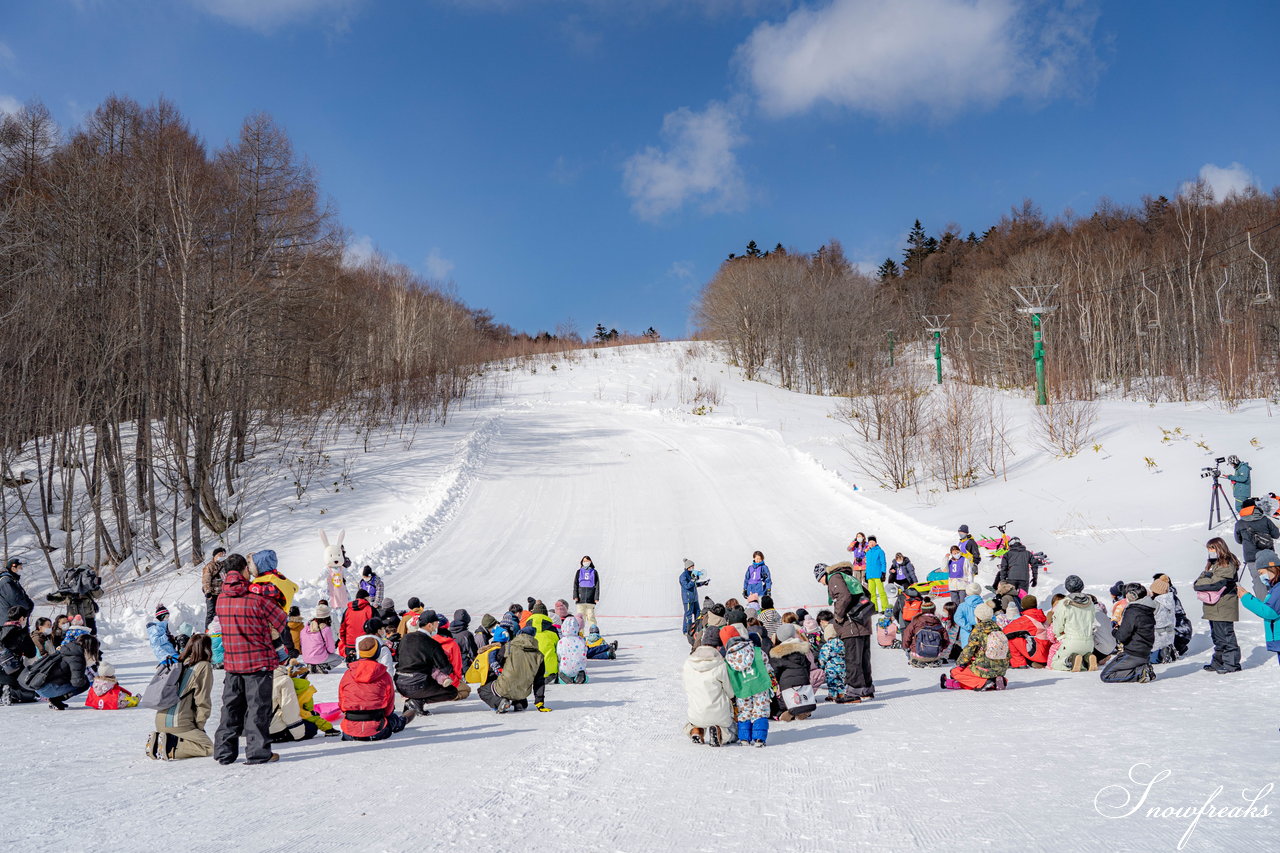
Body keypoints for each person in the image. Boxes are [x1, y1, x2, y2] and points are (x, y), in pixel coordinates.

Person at [213, 558, 289, 765]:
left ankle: (224, 752)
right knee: (258, 708)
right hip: (258, 662)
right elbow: (282, 619)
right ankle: (257, 752)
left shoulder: (220, 599)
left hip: (232, 664)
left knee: (230, 707)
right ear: (245, 570)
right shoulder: (257, 599)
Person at [148, 634, 215, 760]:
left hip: (160, 719)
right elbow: (202, 700)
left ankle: (161, 741)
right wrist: (199, 726)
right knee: (208, 747)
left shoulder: (179, 663)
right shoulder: (203, 666)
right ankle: (167, 747)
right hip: (178, 722)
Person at [339, 636, 415, 740]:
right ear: (378, 652)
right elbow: (389, 707)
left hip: (349, 731)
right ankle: (400, 721)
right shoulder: (384, 675)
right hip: (377, 729)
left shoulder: (348, 674)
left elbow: (342, 702)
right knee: (392, 718)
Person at [819, 561, 874, 703]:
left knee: (852, 659)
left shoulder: (834, 578)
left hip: (851, 625)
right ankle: (866, 689)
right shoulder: (848, 576)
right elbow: (867, 593)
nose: (822, 583)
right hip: (863, 623)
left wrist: (838, 616)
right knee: (863, 658)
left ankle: (853, 692)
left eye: (820, 579)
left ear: (824, 574)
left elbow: (844, 596)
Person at [1194, 537, 1242, 674]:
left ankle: (1231, 664)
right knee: (1217, 636)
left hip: (1224, 604)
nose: (1210, 551)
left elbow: (1212, 584)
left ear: (1219, 548)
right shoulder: (1215, 564)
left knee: (1226, 635)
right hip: (1214, 605)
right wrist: (1206, 575)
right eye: (1208, 549)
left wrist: (1205, 577)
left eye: (1212, 548)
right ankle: (1218, 662)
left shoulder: (1226, 564)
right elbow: (1200, 583)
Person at [682, 628, 737, 746]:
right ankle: (720, 733)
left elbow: (686, 686)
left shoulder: (688, 663)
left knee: (696, 719)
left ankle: (696, 730)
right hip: (718, 714)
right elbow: (730, 691)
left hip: (695, 713)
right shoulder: (720, 664)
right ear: (718, 646)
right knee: (733, 732)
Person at [395, 610, 458, 712]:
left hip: (400, 683)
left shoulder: (406, 638)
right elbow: (446, 668)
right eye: (436, 624)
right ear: (430, 625)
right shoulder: (432, 643)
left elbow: (398, 658)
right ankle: (418, 701)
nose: (437, 627)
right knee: (452, 692)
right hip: (417, 684)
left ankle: (415, 699)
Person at [478, 625, 550, 714]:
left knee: (483, 690)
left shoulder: (508, 647)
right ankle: (520, 703)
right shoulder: (539, 655)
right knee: (517, 684)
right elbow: (539, 680)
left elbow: (496, 664)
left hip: (505, 686)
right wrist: (539, 702)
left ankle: (500, 702)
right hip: (523, 691)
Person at [941, 602, 1009, 690]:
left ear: (978, 617)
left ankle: (984, 682)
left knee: (955, 672)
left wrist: (960, 664)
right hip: (1001, 668)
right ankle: (997, 680)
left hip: (983, 669)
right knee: (975, 670)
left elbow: (968, 651)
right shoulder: (998, 630)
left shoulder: (978, 630)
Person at [1099, 583, 1158, 683]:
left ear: (1132, 596)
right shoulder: (1147, 609)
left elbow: (1122, 636)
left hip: (1133, 653)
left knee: (1106, 675)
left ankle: (1140, 673)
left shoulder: (1133, 610)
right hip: (1144, 652)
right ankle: (1142, 669)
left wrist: (1114, 631)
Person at [29, 627, 99, 708]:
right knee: (85, 683)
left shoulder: (67, 649)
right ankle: (56, 699)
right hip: (47, 688)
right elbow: (77, 682)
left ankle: (55, 699)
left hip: (38, 685)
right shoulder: (77, 657)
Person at [724, 634, 772, 747]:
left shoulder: (728, 660)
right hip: (759, 684)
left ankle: (744, 738)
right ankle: (759, 738)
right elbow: (766, 662)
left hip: (742, 688)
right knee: (760, 710)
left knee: (744, 712)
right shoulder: (755, 651)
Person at [1237, 550, 1280, 666]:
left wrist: (1246, 598)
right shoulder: (1274, 588)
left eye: (1261, 573)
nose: (1261, 577)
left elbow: (1269, 612)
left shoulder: (1278, 589)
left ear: (1272, 568)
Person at [1050, 576, 1101, 671]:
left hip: (1071, 641)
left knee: (1055, 663)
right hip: (1089, 643)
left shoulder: (1064, 603)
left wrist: (1059, 635)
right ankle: (1087, 658)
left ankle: (1070, 660)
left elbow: (1058, 625)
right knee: (1081, 658)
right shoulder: (1090, 602)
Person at [769, 623, 816, 721]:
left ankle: (783, 713)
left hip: (787, 687)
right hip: (803, 684)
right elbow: (807, 666)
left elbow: (774, 672)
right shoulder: (801, 651)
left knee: (776, 703)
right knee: (802, 698)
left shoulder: (778, 654)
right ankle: (802, 710)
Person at [1235, 498, 1279, 598]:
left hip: (1252, 558)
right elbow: (1276, 535)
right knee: (1275, 579)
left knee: (1258, 582)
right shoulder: (1265, 519)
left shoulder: (1240, 524)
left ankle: (1264, 608)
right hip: (1269, 555)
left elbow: (1238, 540)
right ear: (1255, 507)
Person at [267, 660, 318, 743]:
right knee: (311, 728)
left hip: (255, 729)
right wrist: (299, 735)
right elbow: (289, 710)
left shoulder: (253, 677)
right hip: (273, 730)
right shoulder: (284, 680)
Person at [1, 606, 40, 704]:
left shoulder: (1, 630)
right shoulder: (21, 633)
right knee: (32, 693)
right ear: (22, 618)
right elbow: (31, 653)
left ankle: (3, 692)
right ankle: (11, 691)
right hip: (12, 672)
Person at [1002, 594, 1049, 668]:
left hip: (1037, 653)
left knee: (1013, 638)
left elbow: (1006, 631)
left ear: (1022, 606)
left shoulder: (1025, 619)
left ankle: (1019, 663)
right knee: (1026, 636)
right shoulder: (1043, 616)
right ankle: (1032, 661)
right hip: (1048, 652)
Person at [902, 599, 948, 667]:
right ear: (934, 610)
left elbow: (907, 635)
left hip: (917, 654)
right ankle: (933, 661)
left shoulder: (916, 621)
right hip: (935, 655)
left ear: (922, 610)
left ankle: (917, 660)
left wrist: (906, 647)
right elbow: (946, 640)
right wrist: (941, 648)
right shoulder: (937, 622)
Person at [301, 604, 338, 674]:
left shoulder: (306, 627)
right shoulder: (326, 629)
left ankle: (312, 665)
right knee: (338, 659)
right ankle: (321, 666)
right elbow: (331, 649)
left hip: (306, 657)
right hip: (319, 657)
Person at [340, 589, 375, 661]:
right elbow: (376, 626)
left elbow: (342, 628)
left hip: (350, 644)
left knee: (352, 668)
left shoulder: (347, 610)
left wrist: (345, 642)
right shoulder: (370, 609)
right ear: (366, 598)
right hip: (365, 644)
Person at [817, 621, 846, 702]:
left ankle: (832, 695)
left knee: (832, 682)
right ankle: (841, 694)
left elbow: (823, 657)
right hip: (842, 666)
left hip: (831, 668)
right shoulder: (842, 644)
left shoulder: (827, 645)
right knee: (840, 681)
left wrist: (822, 666)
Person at [679, 559, 710, 635]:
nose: (693, 568)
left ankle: (697, 628)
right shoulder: (683, 576)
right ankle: (687, 630)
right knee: (688, 615)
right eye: (691, 566)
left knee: (698, 613)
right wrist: (693, 580)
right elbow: (686, 586)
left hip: (694, 598)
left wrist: (703, 583)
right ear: (688, 567)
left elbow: (695, 584)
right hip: (688, 599)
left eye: (693, 566)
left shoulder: (692, 574)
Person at [556, 615, 589, 684]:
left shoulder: (561, 641)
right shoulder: (581, 640)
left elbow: (559, 654)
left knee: (561, 674)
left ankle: (564, 677)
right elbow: (585, 652)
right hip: (579, 667)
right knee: (586, 677)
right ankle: (580, 676)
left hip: (565, 668)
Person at [201, 547, 227, 629]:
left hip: (222, 593)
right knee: (210, 613)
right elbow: (206, 579)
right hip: (212, 593)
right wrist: (207, 592)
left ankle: (218, 630)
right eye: (220, 554)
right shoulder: (210, 566)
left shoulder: (224, 565)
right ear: (215, 555)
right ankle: (208, 630)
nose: (222, 556)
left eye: (223, 554)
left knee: (220, 612)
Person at [573, 556, 601, 627]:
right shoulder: (579, 572)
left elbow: (597, 585)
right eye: (584, 561)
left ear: (590, 562)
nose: (586, 562)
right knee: (580, 617)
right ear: (582, 562)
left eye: (587, 561)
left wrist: (596, 597)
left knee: (591, 616)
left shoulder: (594, 572)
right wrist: (575, 595)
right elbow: (575, 584)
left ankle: (593, 631)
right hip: (580, 599)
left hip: (590, 599)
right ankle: (580, 633)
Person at [954, 583, 985, 647]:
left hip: (967, 634)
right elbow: (992, 618)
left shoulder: (962, 606)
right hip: (982, 634)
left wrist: (969, 627)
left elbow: (957, 618)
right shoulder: (985, 605)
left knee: (967, 653)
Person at [864, 535, 888, 613]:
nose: (871, 543)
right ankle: (874, 608)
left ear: (875, 542)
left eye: (872, 542)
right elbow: (867, 565)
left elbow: (883, 562)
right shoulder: (868, 552)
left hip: (877, 575)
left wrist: (883, 573)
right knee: (872, 593)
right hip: (870, 576)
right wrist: (866, 574)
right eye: (869, 542)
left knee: (881, 592)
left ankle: (885, 608)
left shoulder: (880, 551)